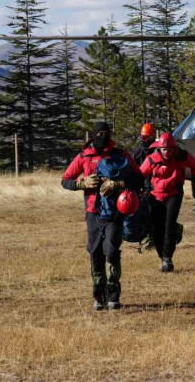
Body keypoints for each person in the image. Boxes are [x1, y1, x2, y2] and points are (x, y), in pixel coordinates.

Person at [62, 122, 144, 311]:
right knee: (95, 253)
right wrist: (81, 184)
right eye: (100, 133)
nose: (104, 136)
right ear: (93, 135)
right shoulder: (84, 156)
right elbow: (65, 180)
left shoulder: (120, 155)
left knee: (112, 251)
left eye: (107, 133)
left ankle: (113, 294)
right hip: (93, 213)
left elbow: (139, 178)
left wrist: (119, 183)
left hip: (115, 212)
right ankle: (98, 296)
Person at [140, 132, 195, 273]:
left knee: (169, 225)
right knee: (156, 228)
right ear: (159, 148)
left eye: (170, 149)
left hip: (174, 194)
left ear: (174, 148)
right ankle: (162, 257)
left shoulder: (182, 156)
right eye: (164, 149)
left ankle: (168, 258)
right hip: (155, 196)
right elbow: (140, 174)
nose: (167, 152)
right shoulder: (152, 159)